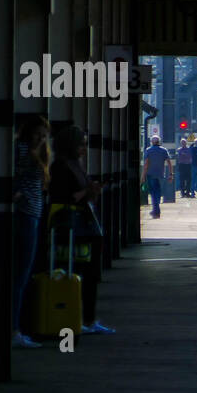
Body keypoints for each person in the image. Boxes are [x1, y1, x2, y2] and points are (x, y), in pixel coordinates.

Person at [50, 125, 114, 335]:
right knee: (78, 271)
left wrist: (91, 191)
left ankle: (88, 318)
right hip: (73, 228)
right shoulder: (61, 166)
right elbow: (64, 196)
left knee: (90, 274)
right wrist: (87, 190)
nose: (84, 149)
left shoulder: (75, 165)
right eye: (81, 145)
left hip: (85, 224)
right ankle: (76, 318)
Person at [11, 116, 51, 348]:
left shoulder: (38, 151)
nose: (40, 139)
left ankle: (19, 327)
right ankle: (15, 329)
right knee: (20, 274)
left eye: (43, 135)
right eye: (37, 134)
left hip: (33, 213)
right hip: (25, 212)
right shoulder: (23, 149)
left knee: (24, 274)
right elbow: (18, 172)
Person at [140, 134, 172, 218]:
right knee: (158, 192)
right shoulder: (164, 150)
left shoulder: (148, 150)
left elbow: (146, 164)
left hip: (151, 174)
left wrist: (143, 176)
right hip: (161, 174)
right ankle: (156, 210)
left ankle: (156, 211)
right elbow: (169, 162)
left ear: (152, 142)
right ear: (159, 142)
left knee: (153, 193)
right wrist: (171, 174)